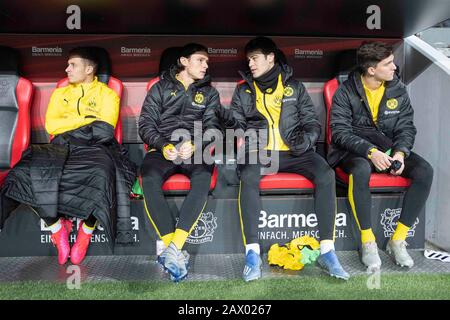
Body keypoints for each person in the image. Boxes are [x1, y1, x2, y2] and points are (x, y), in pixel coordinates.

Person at [226, 36, 349, 281]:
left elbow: (311, 122)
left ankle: (327, 250)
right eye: (248, 59)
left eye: (255, 58)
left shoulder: (294, 86)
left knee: (325, 173)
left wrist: (307, 141)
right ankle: (252, 253)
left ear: (270, 58)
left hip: (295, 152)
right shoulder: (243, 89)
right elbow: (235, 123)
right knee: (248, 175)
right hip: (260, 153)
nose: (250, 63)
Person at [0, 47, 136, 265]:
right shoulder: (60, 92)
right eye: (67, 64)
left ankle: (87, 230)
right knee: (23, 173)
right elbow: (52, 125)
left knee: (105, 173)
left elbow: (105, 128)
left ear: (89, 69)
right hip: (61, 146)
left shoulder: (108, 94)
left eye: (73, 65)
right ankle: (56, 228)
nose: (67, 69)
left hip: (96, 147)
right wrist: (87, 120)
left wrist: (73, 124)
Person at [328, 42, 433, 271]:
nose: (394, 67)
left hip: (388, 150)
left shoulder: (398, 89)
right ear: (371, 70)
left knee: (425, 170)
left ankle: (398, 241)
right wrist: (370, 152)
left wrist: (400, 152)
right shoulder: (345, 91)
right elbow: (340, 133)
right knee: (361, 169)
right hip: (354, 152)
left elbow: (406, 127)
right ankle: (368, 242)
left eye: (392, 62)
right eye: (388, 64)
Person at [139, 43, 221, 282]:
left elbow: (213, 127)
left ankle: (172, 250)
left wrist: (195, 144)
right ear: (184, 62)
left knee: (203, 176)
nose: (206, 66)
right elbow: (145, 125)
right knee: (150, 178)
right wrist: (164, 145)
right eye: (200, 60)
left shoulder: (210, 93)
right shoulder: (159, 88)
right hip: (162, 149)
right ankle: (172, 248)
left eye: (207, 61)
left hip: (194, 151)